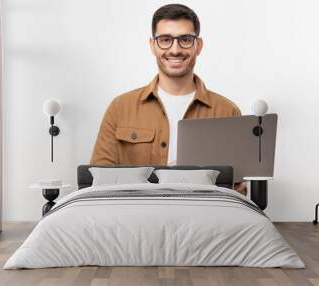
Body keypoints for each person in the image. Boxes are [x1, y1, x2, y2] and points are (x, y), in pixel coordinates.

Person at [90, 4, 247, 194]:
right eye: (165, 40)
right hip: (136, 217)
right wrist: (164, 178)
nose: (175, 50)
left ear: (198, 46)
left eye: (185, 40)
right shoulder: (120, 108)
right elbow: (98, 180)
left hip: (201, 218)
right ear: (152, 45)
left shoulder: (227, 112)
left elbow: (238, 189)